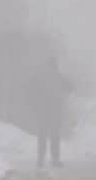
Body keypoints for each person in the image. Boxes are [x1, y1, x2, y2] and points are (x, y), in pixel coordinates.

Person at [29, 35, 72, 170]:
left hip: (43, 111)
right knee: (54, 136)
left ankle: (40, 160)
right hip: (54, 110)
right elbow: (69, 87)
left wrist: (35, 105)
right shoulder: (56, 75)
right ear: (55, 65)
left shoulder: (40, 76)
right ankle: (55, 160)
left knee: (42, 136)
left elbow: (31, 90)